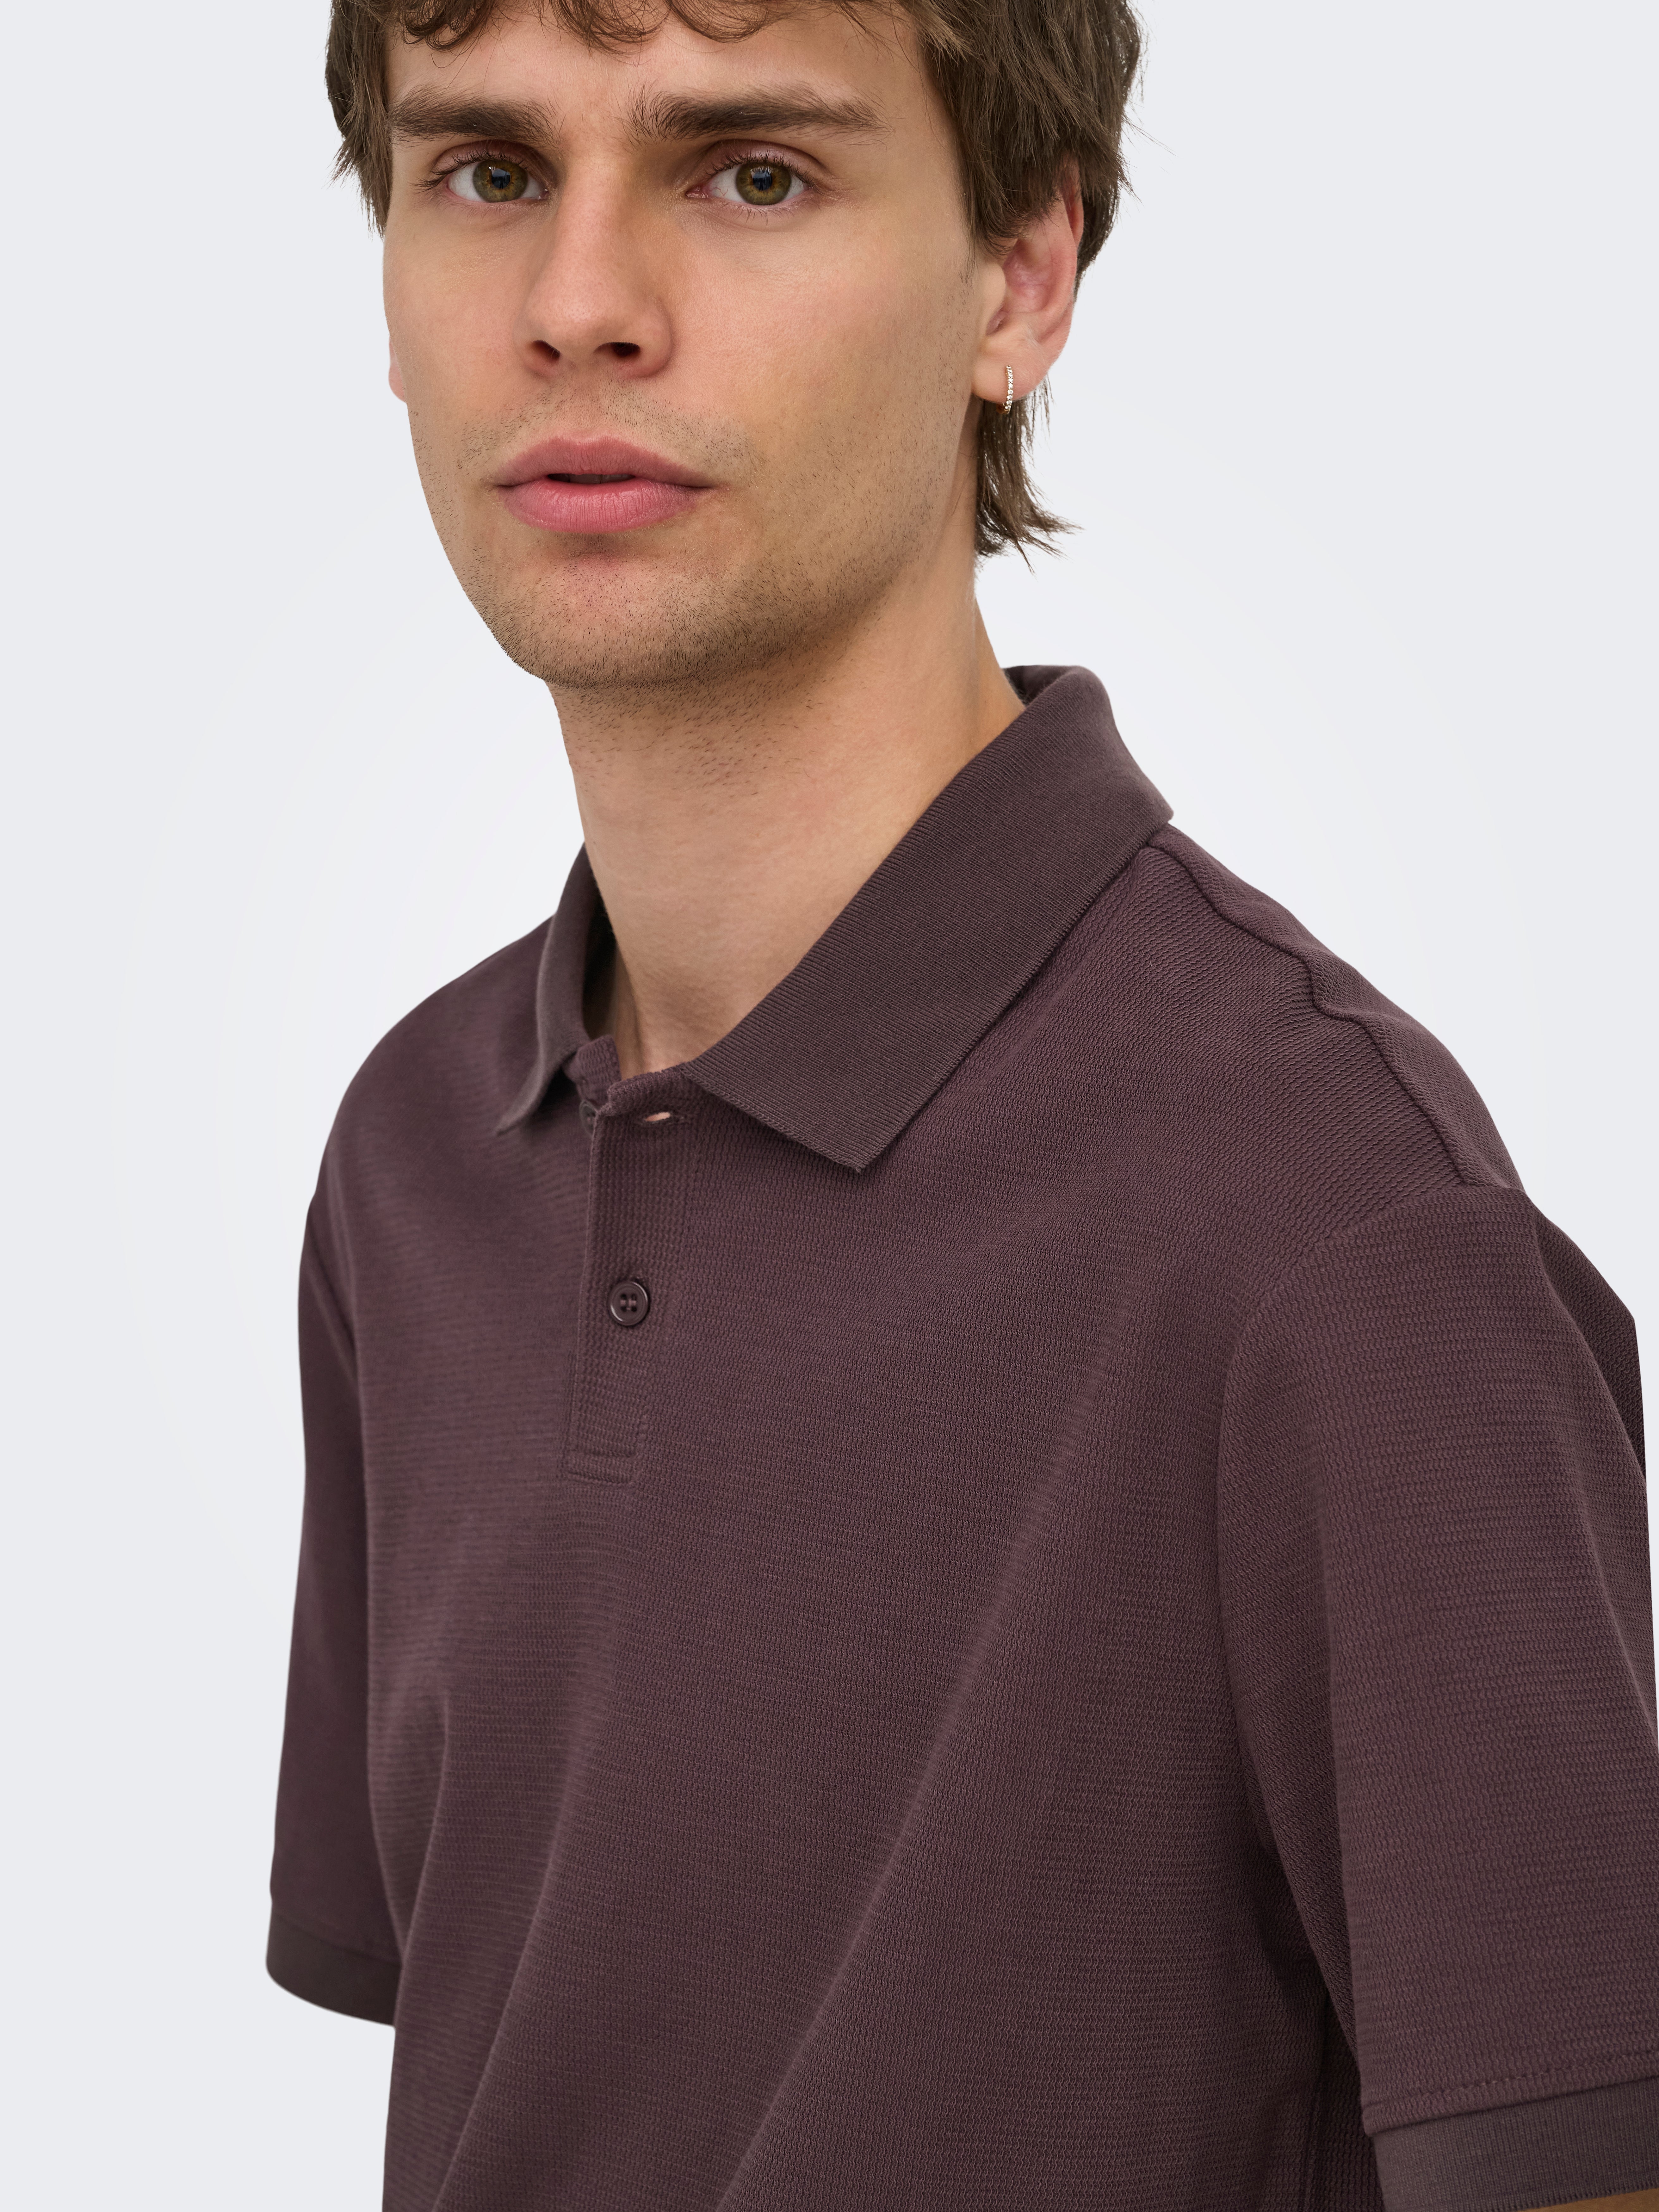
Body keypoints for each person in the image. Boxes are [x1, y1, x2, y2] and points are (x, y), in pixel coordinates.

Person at [267, 4, 1659, 2208]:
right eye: (491, 173)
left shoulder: (1339, 1228)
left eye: (753, 174)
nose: (579, 304)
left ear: (1020, 278)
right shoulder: (419, 1149)